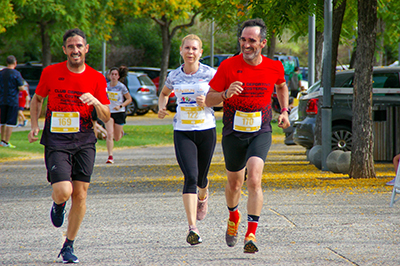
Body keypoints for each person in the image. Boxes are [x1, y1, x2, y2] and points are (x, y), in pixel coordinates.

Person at [205, 18, 290, 254]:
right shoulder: (228, 66)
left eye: (251, 40)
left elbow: (281, 86)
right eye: (243, 39)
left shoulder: (274, 67)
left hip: (260, 131)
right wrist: (224, 93)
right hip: (233, 132)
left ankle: (251, 234)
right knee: (234, 183)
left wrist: (284, 111)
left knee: (254, 179)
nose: (246, 44)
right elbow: (208, 99)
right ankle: (234, 215)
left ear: (262, 43)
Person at [28, 28, 110, 263]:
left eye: (79, 46)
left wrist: (95, 101)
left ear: (86, 49)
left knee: (81, 194)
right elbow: (37, 99)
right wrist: (34, 124)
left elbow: (106, 114)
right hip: (56, 139)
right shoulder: (51, 72)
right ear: (64, 50)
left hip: (84, 139)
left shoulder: (96, 77)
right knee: (64, 191)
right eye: (71, 46)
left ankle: (68, 245)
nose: (75, 50)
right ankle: (58, 203)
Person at [158, 34, 217, 246]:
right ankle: (192, 228)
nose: (190, 52)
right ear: (181, 51)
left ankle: (204, 193)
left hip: (206, 130)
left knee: (201, 177)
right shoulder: (174, 75)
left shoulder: (211, 73)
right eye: (187, 48)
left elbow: (221, 97)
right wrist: (161, 106)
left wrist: (208, 100)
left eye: (194, 49)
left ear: (200, 52)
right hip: (183, 131)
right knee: (190, 176)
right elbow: (164, 93)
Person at [105, 66, 132, 164]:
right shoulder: (106, 86)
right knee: (109, 134)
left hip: (119, 112)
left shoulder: (121, 86)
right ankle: (110, 156)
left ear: (118, 76)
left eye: (116, 74)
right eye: (112, 74)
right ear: (109, 75)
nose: (114, 76)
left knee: (116, 138)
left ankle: (120, 132)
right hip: (109, 112)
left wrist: (120, 105)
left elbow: (129, 99)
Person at [0, 55, 25, 148]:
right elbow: (21, 87)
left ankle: (2, 140)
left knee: (2, 122)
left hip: (2, 100)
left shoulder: (1, 73)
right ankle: (6, 141)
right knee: (10, 122)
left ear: (7, 62)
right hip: (12, 100)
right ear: (15, 63)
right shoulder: (16, 74)